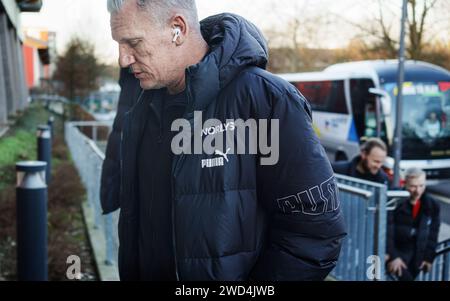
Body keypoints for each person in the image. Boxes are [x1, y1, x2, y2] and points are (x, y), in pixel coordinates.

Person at [101, 0, 346, 281]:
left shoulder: (266, 100)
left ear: (177, 29)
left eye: (133, 43)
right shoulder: (141, 113)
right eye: (119, 45)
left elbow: (315, 233)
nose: (123, 59)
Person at [386, 168, 440, 281]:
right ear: (404, 184)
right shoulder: (394, 200)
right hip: (397, 254)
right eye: (413, 186)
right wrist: (393, 256)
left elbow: (433, 234)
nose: (418, 191)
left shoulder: (432, 204)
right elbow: (386, 231)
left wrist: (428, 258)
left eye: (421, 186)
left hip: (417, 257)